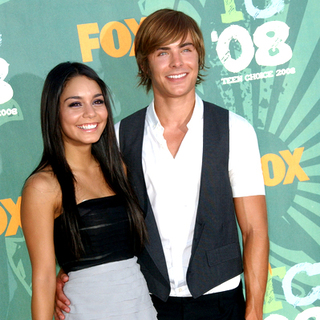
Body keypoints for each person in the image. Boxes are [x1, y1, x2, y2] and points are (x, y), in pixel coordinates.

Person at [55, 9, 269, 320]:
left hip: (220, 301)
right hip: (146, 302)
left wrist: (254, 311)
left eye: (186, 49)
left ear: (199, 56)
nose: (177, 63)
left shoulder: (235, 130)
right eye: (162, 52)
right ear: (145, 63)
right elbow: (97, 217)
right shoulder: (117, 137)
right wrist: (69, 274)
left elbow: (254, 231)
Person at [21, 62, 157, 320]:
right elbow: (43, 278)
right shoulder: (43, 187)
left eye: (97, 101)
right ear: (54, 112)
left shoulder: (119, 169)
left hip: (140, 307)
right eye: (75, 104)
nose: (90, 113)